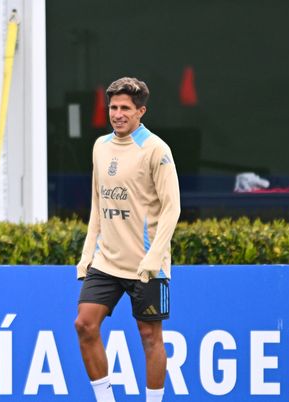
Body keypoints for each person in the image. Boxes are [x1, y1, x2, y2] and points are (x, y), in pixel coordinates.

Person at [74, 77, 180, 402]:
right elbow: (97, 202)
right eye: (113, 107)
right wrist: (86, 252)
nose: (117, 114)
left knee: (150, 337)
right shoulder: (100, 146)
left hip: (147, 264)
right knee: (84, 325)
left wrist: (154, 257)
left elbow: (172, 208)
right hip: (106, 261)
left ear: (141, 112)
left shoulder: (157, 150)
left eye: (125, 108)